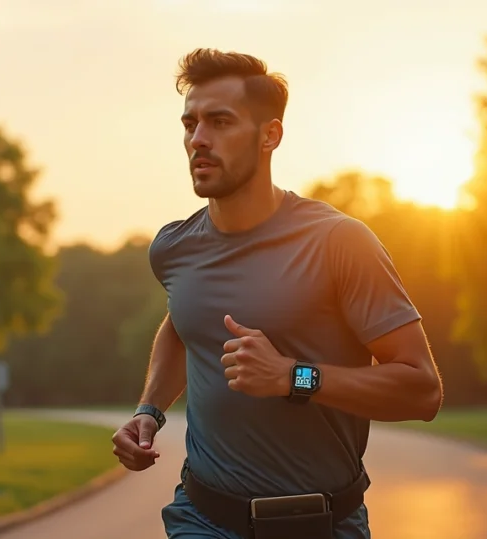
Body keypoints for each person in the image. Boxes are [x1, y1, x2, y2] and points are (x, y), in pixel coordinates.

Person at [110, 48, 444, 539]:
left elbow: (423, 391)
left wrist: (294, 377)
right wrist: (148, 411)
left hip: (324, 523)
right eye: (190, 124)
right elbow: (184, 326)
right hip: (202, 519)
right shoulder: (174, 248)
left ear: (271, 135)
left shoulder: (339, 242)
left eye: (220, 122)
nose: (198, 140)